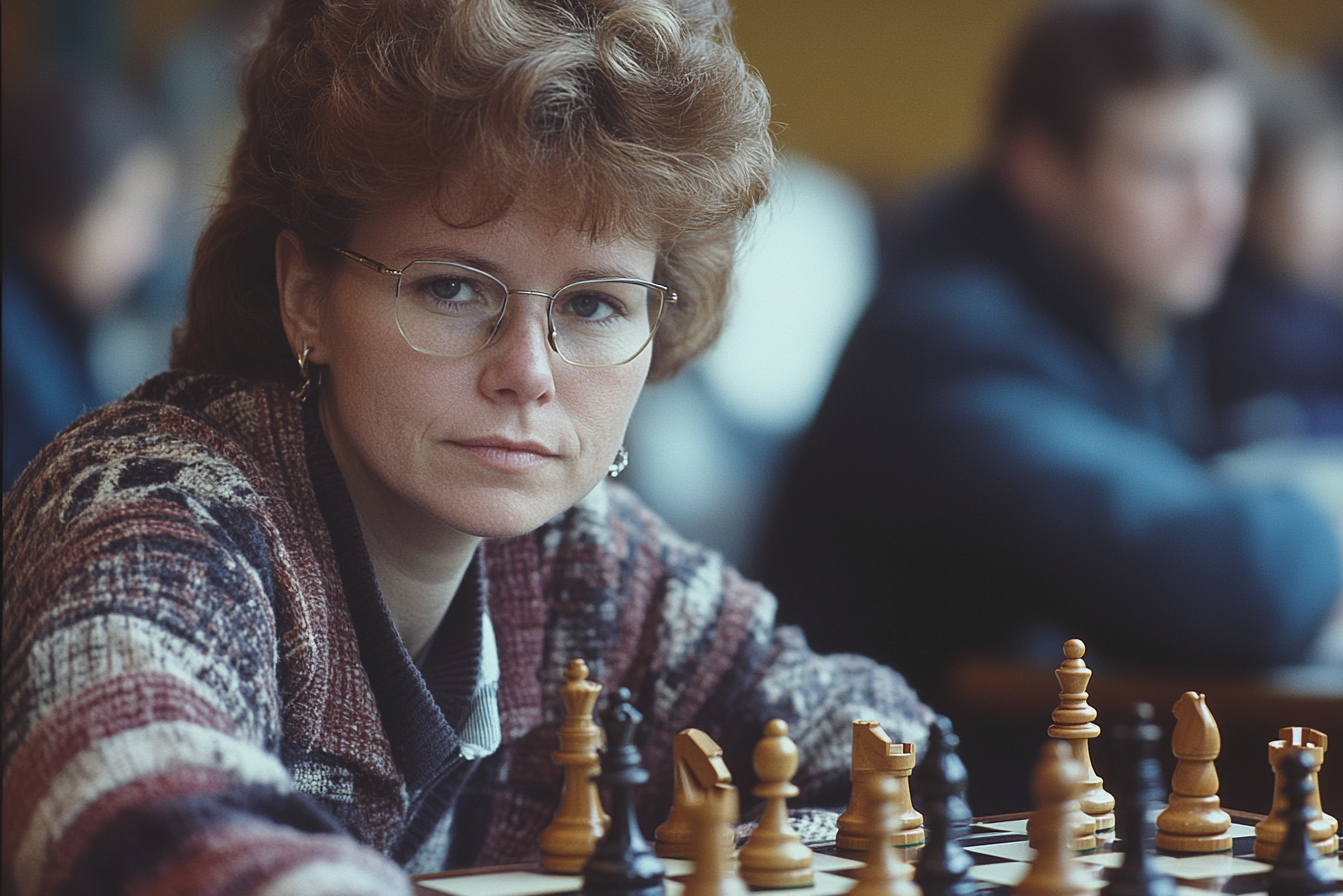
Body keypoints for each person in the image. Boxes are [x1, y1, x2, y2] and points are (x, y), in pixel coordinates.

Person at [0, 1, 935, 894]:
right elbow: (137, 817)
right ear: (306, 295)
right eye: (452, 288)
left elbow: (893, 753)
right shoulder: (153, 509)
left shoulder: (593, 569)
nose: (527, 371)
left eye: (594, 303)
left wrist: (728, 852)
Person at [758, 0, 1343, 708]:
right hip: (867, 803)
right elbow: (1238, 588)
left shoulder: (1124, 308)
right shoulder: (941, 349)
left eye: (1230, 165)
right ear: (1042, 171)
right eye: (1168, 168)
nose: (1217, 208)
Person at [2, 77, 178, 490]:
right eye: (125, 208)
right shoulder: (15, 340)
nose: (146, 247)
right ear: (56, 194)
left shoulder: (61, 317)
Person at [1203, 60, 1343, 446]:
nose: (1338, 207)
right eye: (1317, 178)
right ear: (1255, 196)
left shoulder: (1313, 303)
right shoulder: (1227, 319)